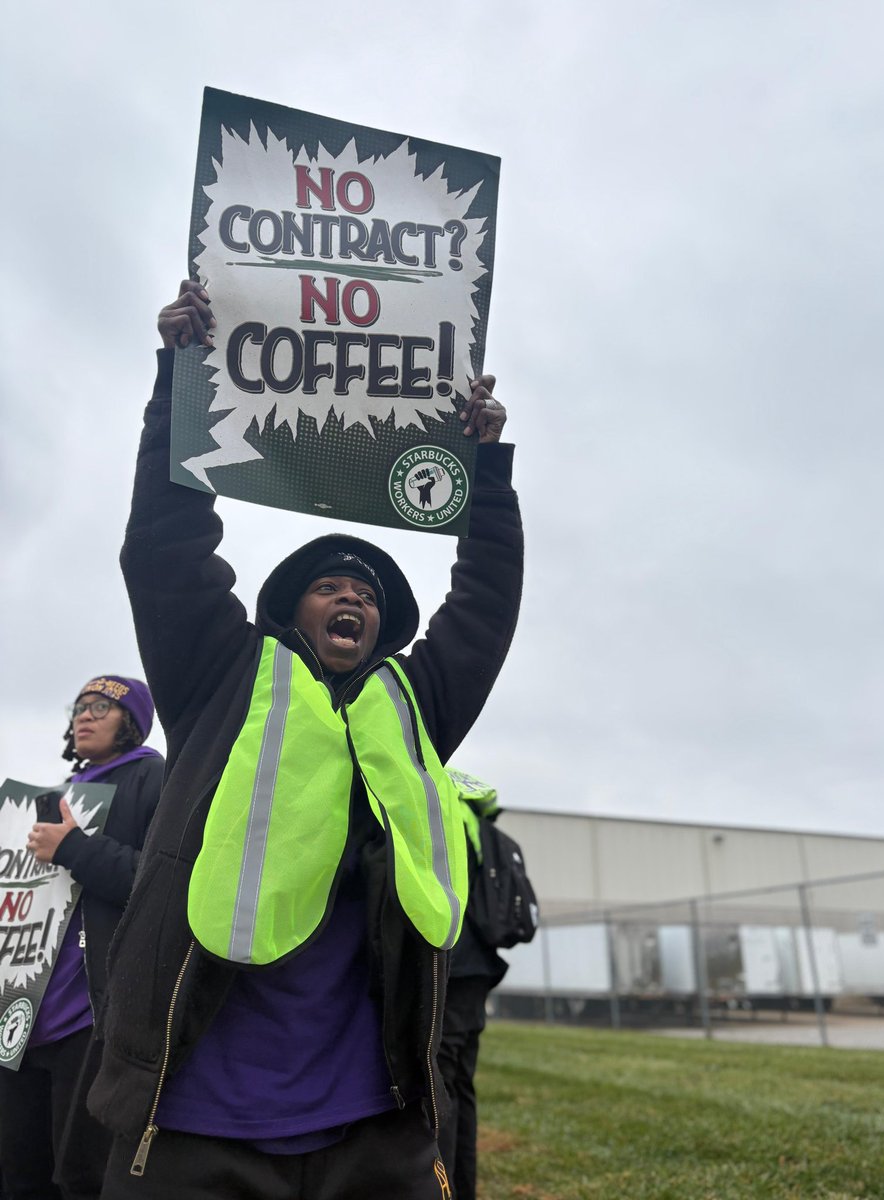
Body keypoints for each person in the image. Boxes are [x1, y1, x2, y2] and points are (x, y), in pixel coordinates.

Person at [88, 280, 523, 1200]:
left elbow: (482, 612)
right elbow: (164, 550)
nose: (354, 595)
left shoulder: (412, 709)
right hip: (197, 1121)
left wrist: (486, 472)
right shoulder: (221, 679)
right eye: (331, 584)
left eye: (368, 592)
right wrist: (182, 379)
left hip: (372, 1124)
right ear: (288, 612)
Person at [0, 676, 163, 1200]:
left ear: (131, 722)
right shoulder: (50, 799)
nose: (84, 716)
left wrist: (76, 848)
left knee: (84, 1177)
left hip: (91, 1018)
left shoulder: (152, 779)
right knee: (19, 1174)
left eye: (102, 706)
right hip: (21, 1020)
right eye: (80, 707)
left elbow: (163, 883)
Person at [438, 774, 509, 1200]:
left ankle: (442, 1189)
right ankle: (463, 1188)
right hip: (478, 970)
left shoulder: (448, 811)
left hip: (454, 966)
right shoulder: (482, 826)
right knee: (461, 1085)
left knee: (440, 1088)